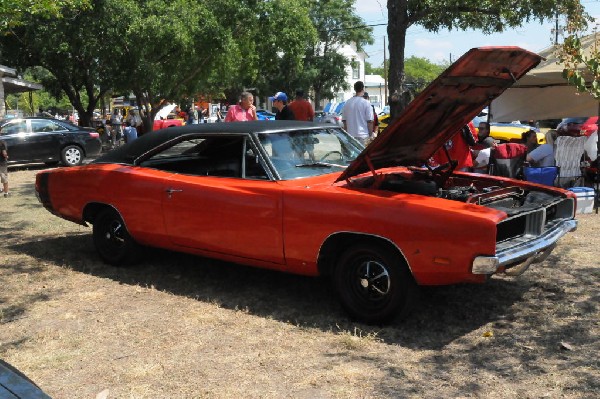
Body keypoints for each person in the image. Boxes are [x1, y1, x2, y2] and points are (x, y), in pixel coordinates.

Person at [342, 81, 373, 145]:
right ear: (363, 89)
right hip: (363, 136)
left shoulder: (347, 103)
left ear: (354, 89)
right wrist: (370, 135)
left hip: (350, 136)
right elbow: (370, 121)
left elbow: (344, 122)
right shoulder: (366, 103)